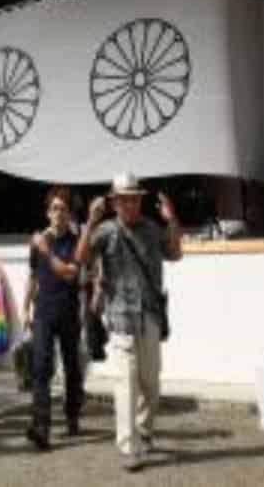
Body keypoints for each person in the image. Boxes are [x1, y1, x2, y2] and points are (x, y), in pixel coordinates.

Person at [78, 172, 182, 472]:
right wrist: (90, 221)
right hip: (120, 317)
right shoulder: (105, 231)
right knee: (125, 382)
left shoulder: (151, 228)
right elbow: (81, 257)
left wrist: (171, 219)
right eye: (124, 199)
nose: (130, 204)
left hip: (150, 314)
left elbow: (175, 254)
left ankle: (144, 431)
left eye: (135, 199)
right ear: (114, 203)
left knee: (150, 382)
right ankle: (129, 446)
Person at [26, 185, 85, 451]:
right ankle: (42, 426)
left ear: (69, 212)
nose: (57, 213)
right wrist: (25, 307)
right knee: (40, 366)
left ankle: (72, 413)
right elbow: (33, 275)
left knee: (72, 366)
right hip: (43, 310)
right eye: (53, 208)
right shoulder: (38, 241)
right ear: (47, 212)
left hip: (69, 309)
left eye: (62, 208)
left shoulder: (75, 241)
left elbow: (71, 273)